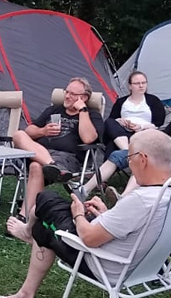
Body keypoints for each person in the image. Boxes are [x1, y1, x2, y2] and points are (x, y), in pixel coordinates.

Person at [0, 130, 171, 298]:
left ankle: (25, 283)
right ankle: (24, 295)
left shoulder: (140, 199)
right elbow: (140, 225)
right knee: (44, 225)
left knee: (47, 200)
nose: (129, 163)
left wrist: (78, 215)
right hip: (146, 266)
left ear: (142, 159)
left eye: (130, 157)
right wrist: (107, 214)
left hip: (105, 265)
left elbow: (90, 238)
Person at [84, 83, 171, 198]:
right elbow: (165, 134)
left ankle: (124, 197)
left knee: (143, 158)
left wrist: (170, 144)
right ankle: (84, 190)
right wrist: (145, 130)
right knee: (117, 155)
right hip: (160, 148)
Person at [10, 77, 102, 218]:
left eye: (72, 94)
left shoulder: (91, 115)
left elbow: (89, 138)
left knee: (36, 166)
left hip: (68, 158)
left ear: (83, 97)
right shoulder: (53, 110)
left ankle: (24, 216)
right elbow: (29, 131)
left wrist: (83, 111)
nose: (66, 95)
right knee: (18, 134)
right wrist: (43, 131)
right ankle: (53, 166)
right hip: (44, 154)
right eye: (66, 91)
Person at [104, 70, 165, 151]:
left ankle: (126, 152)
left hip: (144, 132)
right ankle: (126, 150)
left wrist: (141, 127)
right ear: (130, 86)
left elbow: (159, 123)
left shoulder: (153, 100)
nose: (141, 86)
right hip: (123, 132)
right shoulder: (121, 102)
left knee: (113, 145)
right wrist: (120, 121)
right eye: (137, 83)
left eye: (143, 83)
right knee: (109, 123)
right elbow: (112, 119)